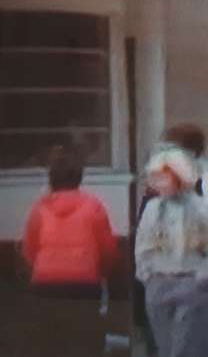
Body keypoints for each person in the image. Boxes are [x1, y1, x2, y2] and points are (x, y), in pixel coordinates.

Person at [21, 144, 119, 357]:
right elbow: (108, 249)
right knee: (85, 342)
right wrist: (102, 272)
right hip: (84, 282)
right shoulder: (93, 205)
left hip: (45, 283)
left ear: (51, 178)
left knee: (49, 344)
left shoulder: (40, 207)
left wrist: (42, 267)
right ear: (79, 177)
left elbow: (29, 248)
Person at [135, 145, 208, 357]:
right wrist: (147, 275)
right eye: (154, 177)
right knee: (164, 347)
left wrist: (205, 277)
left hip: (192, 283)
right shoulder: (152, 208)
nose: (156, 183)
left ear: (179, 176)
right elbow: (142, 245)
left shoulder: (203, 208)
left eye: (162, 177)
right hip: (158, 283)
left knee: (186, 348)